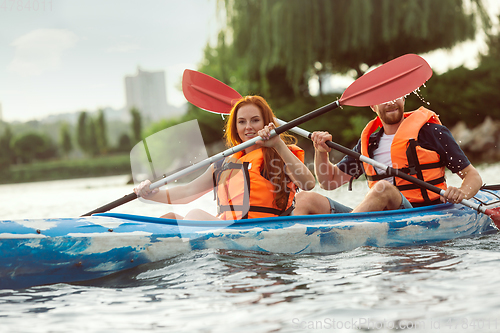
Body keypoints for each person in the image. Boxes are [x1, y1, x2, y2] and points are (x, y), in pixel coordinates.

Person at [134, 95, 315, 220]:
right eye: (241, 122)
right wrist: (150, 195)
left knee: (196, 214)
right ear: (235, 127)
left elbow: (308, 184)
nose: (248, 127)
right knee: (170, 218)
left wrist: (277, 144)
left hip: (261, 227)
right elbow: (187, 192)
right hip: (228, 229)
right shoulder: (224, 163)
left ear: (266, 122)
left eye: (255, 120)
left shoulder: (279, 154)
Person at [293, 96, 483, 215]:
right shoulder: (368, 143)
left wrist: (460, 193)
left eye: (395, 96)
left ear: (404, 98)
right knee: (304, 198)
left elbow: (473, 177)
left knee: (383, 188)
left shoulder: (432, 133)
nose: (391, 102)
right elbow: (329, 182)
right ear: (373, 106)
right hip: (375, 218)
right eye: (383, 98)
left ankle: (345, 229)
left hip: (422, 214)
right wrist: (320, 153)